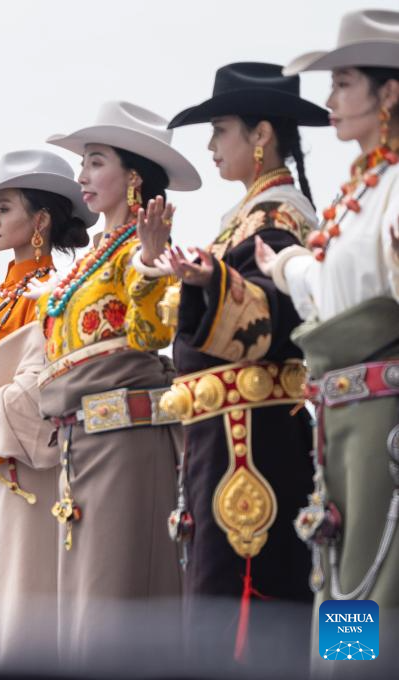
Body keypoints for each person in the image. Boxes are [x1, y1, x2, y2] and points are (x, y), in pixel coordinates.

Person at [162, 61, 328, 666]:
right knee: (281, 577)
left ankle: (356, 668)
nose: (210, 145)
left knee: (278, 583)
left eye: (221, 129)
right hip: (238, 434)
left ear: (261, 136)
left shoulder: (280, 217)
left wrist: (215, 281)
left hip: (261, 438)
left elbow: (282, 319)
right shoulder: (250, 217)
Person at [256, 8, 399, 670]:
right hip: (341, 417)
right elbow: (330, 284)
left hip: (385, 419)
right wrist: (283, 266)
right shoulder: (361, 189)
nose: (329, 100)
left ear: (388, 92)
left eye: (343, 83)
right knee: (342, 572)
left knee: (375, 578)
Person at [37, 101, 200, 665]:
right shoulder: (96, 255)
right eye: (83, 163)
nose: (81, 175)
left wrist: (153, 266)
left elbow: (151, 333)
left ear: (133, 176)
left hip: (126, 442)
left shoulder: (140, 249)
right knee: (84, 607)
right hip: (83, 445)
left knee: (113, 607)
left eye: (95, 161)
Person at [0, 149, 97, 668]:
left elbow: (43, 391)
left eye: (4, 208)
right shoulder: (9, 294)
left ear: (41, 220)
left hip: (26, 472)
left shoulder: (54, 295)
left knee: (20, 615)